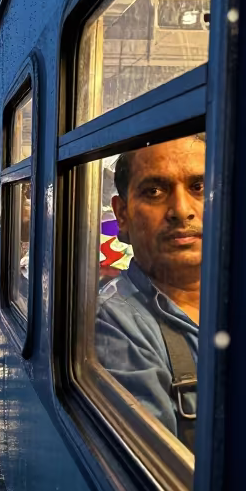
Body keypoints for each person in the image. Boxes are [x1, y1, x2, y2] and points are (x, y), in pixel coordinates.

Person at [95, 135, 205, 448]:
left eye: (199, 187)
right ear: (122, 215)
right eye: (154, 191)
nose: (181, 211)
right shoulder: (114, 326)